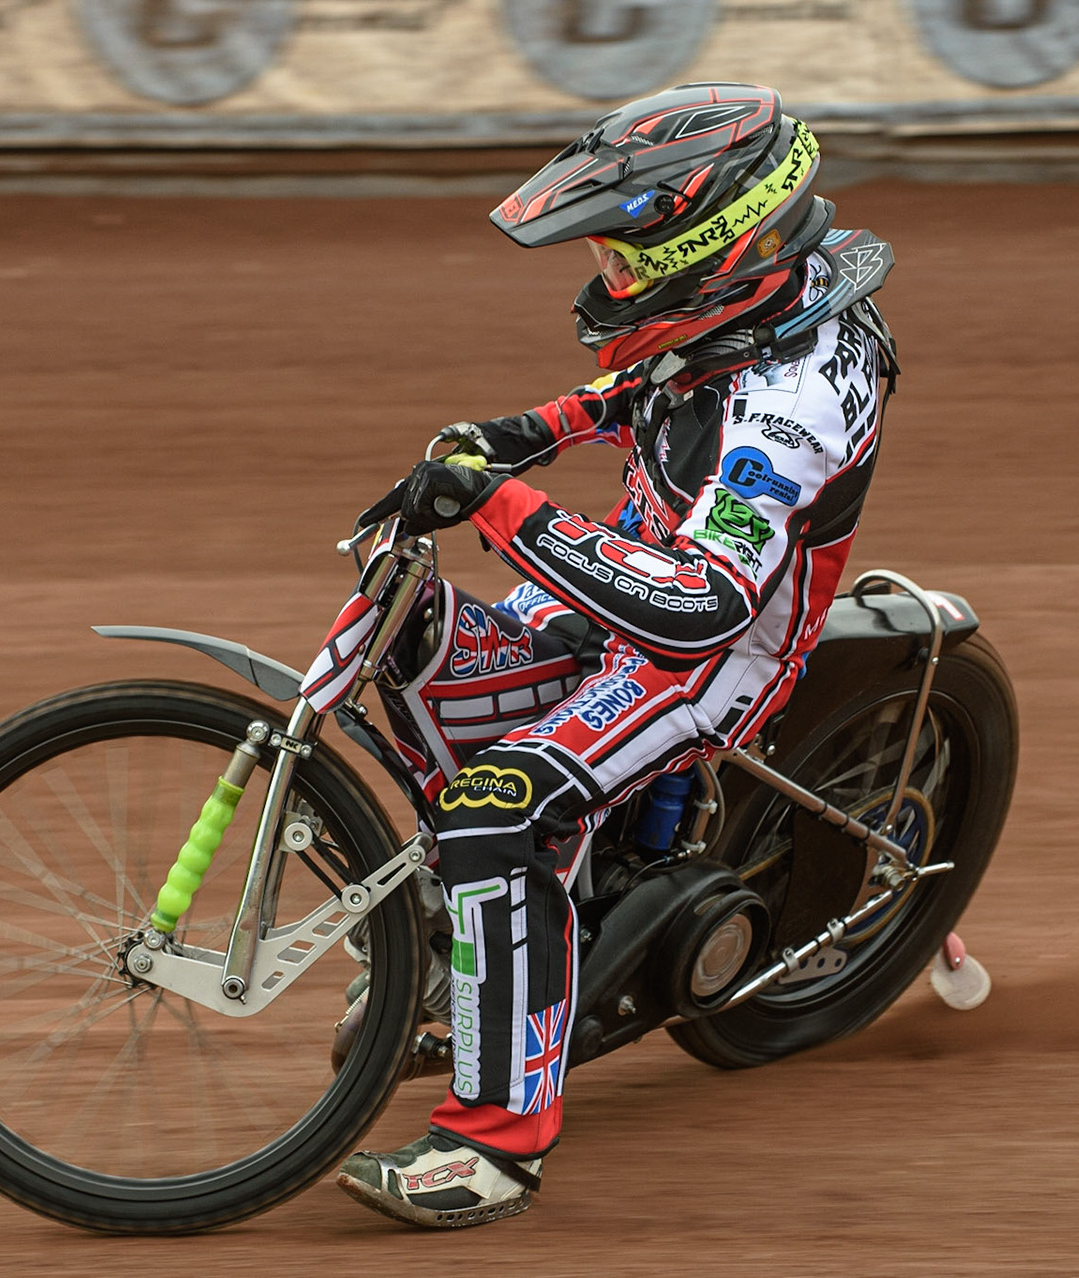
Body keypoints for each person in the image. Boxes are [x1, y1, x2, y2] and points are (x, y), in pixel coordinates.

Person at [334, 81, 898, 1229]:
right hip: (627, 590)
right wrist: (516, 435)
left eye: (632, 255)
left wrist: (501, 505)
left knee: (496, 808)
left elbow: (698, 609)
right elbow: (642, 386)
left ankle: (493, 1148)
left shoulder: (785, 414)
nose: (613, 277)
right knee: (410, 635)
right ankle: (494, 939)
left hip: (709, 654)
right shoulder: (752, 306)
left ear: (715, 244)